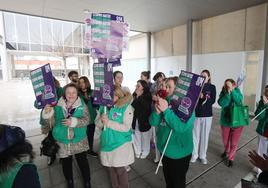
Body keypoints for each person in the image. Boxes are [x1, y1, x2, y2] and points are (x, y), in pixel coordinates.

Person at [42, 83, 91, 188]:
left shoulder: (82, 105)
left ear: (77, 93)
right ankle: (70, 182)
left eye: (73, 92)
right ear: (64, 93)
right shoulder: (57, 105)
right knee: (66, 164)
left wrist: (73, 122)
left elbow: (87, 120)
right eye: (68, 92)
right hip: (62, 141)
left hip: (78, 140)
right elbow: (50, 123)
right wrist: (47, 113)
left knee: (83, 163)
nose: (71, 95)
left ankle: (87, 182)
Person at [149, 77, 195, 188]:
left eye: (169, 86)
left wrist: (166, 111)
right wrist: (156, 111)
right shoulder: (165, 102)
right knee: (168, 181)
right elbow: (153, 122)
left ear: (179, 89)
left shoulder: (188, 107)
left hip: (179, 153)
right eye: (164, 86)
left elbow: (181, 127)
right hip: (164, 150)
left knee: (177, 183)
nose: (165, 89)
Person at [95, 86, 134, 188]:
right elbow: (98, 124)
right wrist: (101, 120)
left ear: (118, 95)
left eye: (111, 95)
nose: (108, 97)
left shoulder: (126, 107)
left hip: (120, 144)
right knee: (110, 168)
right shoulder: (103, 107)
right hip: (106, 143)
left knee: (120, 170)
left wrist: (108, 122)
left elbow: (126, 127)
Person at [217, 79, 245, 167]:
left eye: (231, 84)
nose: (229, 86)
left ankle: (231, 158)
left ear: (234, 85)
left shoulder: (237, 91)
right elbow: (222, 104)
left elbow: (238, 100)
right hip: (225, 121)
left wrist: (232, 91)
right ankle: (226, 151)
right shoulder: (223, 92)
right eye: (227, 85)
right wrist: (228, 94)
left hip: (237, 121)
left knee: (234, 142)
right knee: (225, 141)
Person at [191, 70, 216, 164]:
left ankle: (202, 156)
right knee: (195, 136)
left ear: (209, 77)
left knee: (204, 136)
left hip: (207, 115)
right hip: (196, 114)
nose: (203, 77)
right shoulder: (196, 86)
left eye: (205, 76)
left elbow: (212, 100)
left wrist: (204, 97)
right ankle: (194, 155)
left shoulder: (212, 87)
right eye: (201, 75)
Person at [132, 80, 152, 159]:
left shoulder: (148, 95)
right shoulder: (135, 94)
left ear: (143, 87)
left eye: (138, 86)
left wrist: (139, 97)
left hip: (144, 120)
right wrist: (136, 97)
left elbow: (147, 107)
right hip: (136, 119)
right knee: (137, 135)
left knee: (145, 137)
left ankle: (145, 151)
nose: (136, 87)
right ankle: (137, 150)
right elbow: (133, 105)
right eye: (136, 86)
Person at [79, 76, 98, 157]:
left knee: (90, 135)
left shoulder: (93, 92)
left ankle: (90, 150)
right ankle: (82, 150)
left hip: (92, 119)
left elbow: (97, 106)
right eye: (80, 83)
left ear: (87, 82)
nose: (81, 84)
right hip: (82, 119)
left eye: (83, 82)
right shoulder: (78, 94)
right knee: (82, 136)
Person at [254, 85, 268, 176]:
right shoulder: (262, 101)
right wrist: (264, 105)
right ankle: (260, 173)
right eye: (266, 91)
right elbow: (258, 116)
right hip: (263, 131)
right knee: (261, 152)